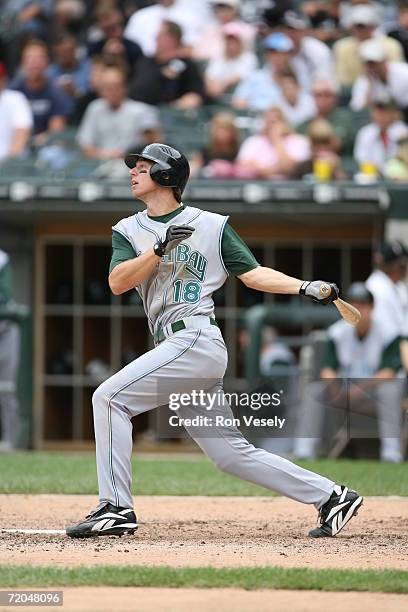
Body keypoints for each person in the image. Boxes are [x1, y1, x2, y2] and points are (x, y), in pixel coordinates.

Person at [66, 141, 363, 539]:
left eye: (142, 166)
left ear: (166, 175)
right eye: (134, 167)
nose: (133, 172)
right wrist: (157, 250)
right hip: (174, 348)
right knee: (230, 455)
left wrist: (304, 286)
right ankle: (332, 496)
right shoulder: (129, 229)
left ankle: (116, 508)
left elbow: (253, 273)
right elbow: (118, 283)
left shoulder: (210, 224)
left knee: (109, 398)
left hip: (194, 339)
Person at [293, 283, 404, 463]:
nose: (358, 309)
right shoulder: (337, 332)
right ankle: (304, 451)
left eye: (363, 305)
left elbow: (389, 373)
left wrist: (359, 389)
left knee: (390, 390)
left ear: (372, 307)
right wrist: (335, 387)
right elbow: (327, 369)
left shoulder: (388, 332)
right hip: (344, 390)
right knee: (314, 391)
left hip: (373, 392)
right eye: (354, 304)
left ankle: (391, 454)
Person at [77, 66, 160, 161]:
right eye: (107, 88)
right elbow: (85, 145)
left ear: (124, 87)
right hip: (99, 162)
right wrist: (104, 154)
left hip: (131, 163)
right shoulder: (95, 108)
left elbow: (154, 142)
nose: (111, 92)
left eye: (115, 87)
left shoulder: (141, 110)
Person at [129, 21, 204, 109]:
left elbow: (195, 94)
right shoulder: (145, 61)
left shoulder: (185, 64)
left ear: (172, 39)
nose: (156, 38)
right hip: (137, 107)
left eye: (160, 35)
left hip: (169, 112)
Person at [10, 39, 72, 145]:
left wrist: (34, 140)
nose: (34, 62)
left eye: (38, 58)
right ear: (22, 63)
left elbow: (56, 131)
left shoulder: (56, 92)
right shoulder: (13, 92)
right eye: (29, 58)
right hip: (16, 143)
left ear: (47, 63)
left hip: (45, 145)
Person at [333, 3, 403, 88]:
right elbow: (343, 79)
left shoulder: (391, 45)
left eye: (363, 26)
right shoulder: (342, 47)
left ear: (373, 26)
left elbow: (397, 74)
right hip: (352, 90)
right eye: (356, 26)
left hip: (389, 88)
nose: (360, 30)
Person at [235, 107, 310, 179]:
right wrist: (273, 170)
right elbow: (241, 168)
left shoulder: (298, 141)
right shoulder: (253, 141)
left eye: (274, 122)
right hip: (259, 186)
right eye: (268, 121)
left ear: (284, 122)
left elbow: (290, 169)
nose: (270, 126)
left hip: (291, 187)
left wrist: (277, 140)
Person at [366, 242, 408, 372]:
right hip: (386, 355)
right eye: (401, 264)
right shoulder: (376, 287)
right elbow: (388, 333)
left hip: (400, 348)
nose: (404, 268)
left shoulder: (398, 287)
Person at [232, 32, 298, 112]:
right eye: (273, 53)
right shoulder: (254, 76)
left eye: (283, 54)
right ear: (267, 55)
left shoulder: (296, 77)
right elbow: (238, 101)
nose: (278, 58)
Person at [124, 0, 207, 57]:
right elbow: (129, 42)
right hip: (145, 63)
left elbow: (195, 46)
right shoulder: (140, 16)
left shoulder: (192, 15)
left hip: (178, 62)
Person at [350, 39, 408, 117]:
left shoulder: (404, 72)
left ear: (384, 60)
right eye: (368, 63)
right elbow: (360, 110)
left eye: (374, 63)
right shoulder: (363, 81)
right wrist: (370, 85)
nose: (371, 67)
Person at [298, 79, 355, 155]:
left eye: (327, 95)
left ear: (335, 98)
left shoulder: (345, 118)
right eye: (318, 95)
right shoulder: (304, 124)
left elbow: (338, 144)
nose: (322, 99)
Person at [204, 22, 258, 101]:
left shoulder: (249, 58)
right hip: (216, 97)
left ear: (241, 42)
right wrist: (211, 86)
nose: (231, 45)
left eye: (235, 41)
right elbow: (209, 76)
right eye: (229, 41)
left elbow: (238, 76)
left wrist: (222, 85)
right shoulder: (218, 57)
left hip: (239, 99)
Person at [353, 97, 408, 174]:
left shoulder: (402, 130)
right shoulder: (366, 132)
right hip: (373, 175)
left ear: (394, 113)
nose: (381, 115)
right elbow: (361, 159)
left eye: (385, 111)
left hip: (398, 177)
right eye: (378, 111)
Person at [0, 249, 20, 452]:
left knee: (6, 387)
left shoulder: (2, 258)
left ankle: (8, 440)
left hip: (5, 328)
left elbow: (5, 297)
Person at [282, 10, 334, 87]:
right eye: (288, 29)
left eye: (295, 30)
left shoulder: (319, 50)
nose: (291, 33)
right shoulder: (280, 47)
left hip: (315, 92)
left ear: (305, 30)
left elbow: (325, 81)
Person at [87, 5, 144, 72]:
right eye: (111, 29)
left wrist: (122, 58)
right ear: (102, 29)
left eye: (120, 25)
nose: (118, 32)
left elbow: (141, 75)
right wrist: (106, 57)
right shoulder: (94, 49)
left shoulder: (134, 48)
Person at [190, 112, 240, 178]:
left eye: (225, 130)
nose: (221, 133)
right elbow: (195, 169)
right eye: (219, 129)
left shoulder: (240, 152)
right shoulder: (205, 152)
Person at [0, 62, 33, 162]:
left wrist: (9, 162)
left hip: (10, 168)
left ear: (3, 80)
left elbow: (22, 134)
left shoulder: (15, 99)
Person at [47, 34, 91, 101]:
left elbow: (92, 95)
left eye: (69, 50)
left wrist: (76, 92)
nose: (66, 55)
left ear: (75, 49)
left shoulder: (88, 69)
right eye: (62, 52)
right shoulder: (50, 72)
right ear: (56, 51)